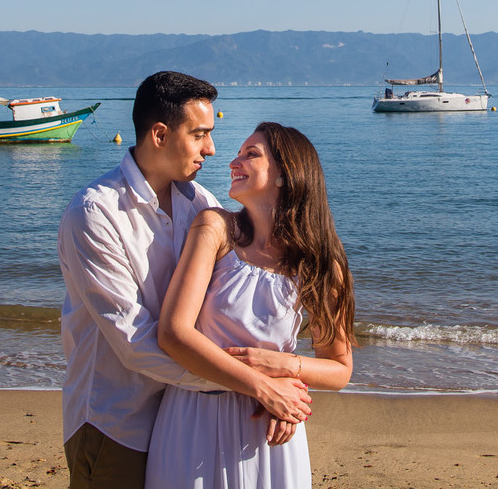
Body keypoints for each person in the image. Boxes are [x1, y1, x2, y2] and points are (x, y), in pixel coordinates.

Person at [58, 73, 312, 489]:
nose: (212, 149)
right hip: (117, 420)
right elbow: (135, 343)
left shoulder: (202, 206)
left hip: (182, 418)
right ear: (160, 134)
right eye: (200, 135)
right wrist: (255, 386)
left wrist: (277, 374)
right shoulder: (95, 213)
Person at [146, 122, 356, 489]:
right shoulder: (215, 228)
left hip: (270, 430)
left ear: (285, 175)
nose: (233, 161)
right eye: (239, 153)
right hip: (197, 417)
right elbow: (173, 334)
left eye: (250, 154)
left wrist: (289, 370)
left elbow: (339, 369)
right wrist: (266, 386)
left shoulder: (322, 263)